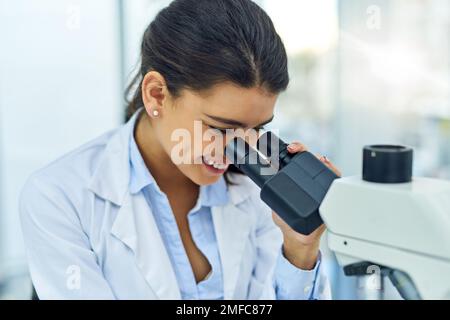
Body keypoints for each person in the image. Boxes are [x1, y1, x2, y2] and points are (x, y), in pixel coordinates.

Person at [19, 0, 340, 299]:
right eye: (219, 128)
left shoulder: (257, 189)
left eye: (257, 128)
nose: (239, 150)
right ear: (157, 94)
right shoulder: (59, 196)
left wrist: (300, 247)